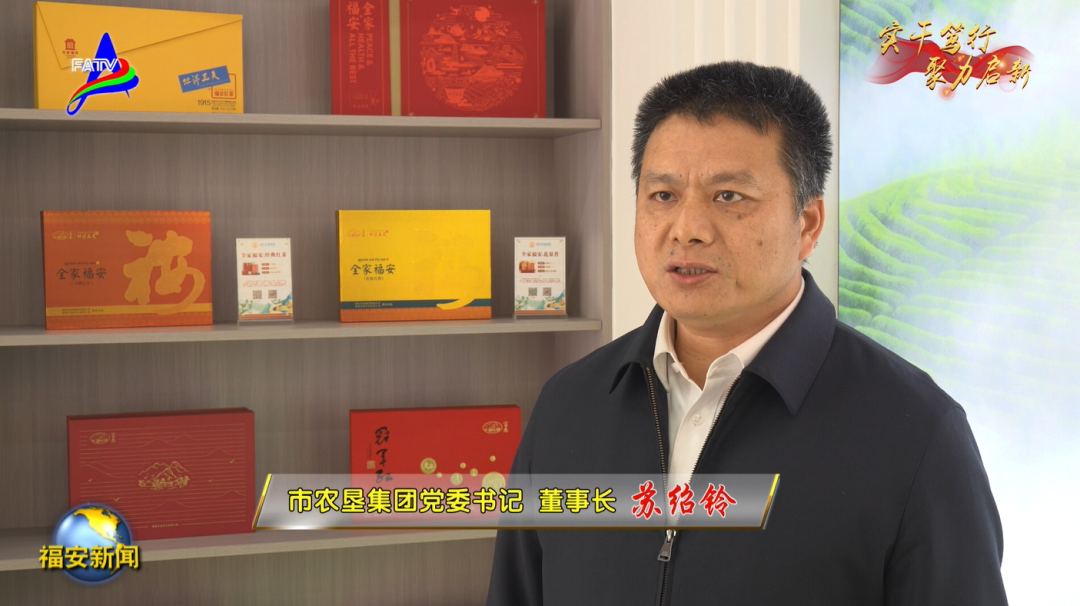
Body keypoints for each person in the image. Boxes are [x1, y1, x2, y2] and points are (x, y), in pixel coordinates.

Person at [486, 61, 1007, 605]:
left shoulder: (916, 432)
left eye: (729, 196)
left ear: (807, 225)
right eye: (663, 195)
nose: (687, 229)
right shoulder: (569, 404)